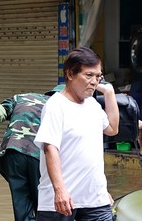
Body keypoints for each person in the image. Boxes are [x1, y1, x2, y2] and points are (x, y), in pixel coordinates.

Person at [34, 47, 119, 221]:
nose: (94, 82)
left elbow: (112, 128)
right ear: (70, 74)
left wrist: (110, 93)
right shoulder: (55, 106)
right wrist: (60, 190)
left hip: (95, 199)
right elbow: (50, 148)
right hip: (61, 201)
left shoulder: (93, 105)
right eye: (89, 75)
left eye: (98, 76)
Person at [0, 84, 63, 221]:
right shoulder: (65, 106)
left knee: (23, 209)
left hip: (12, 152)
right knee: (47, 207)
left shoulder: (22, 97)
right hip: (39, 155)